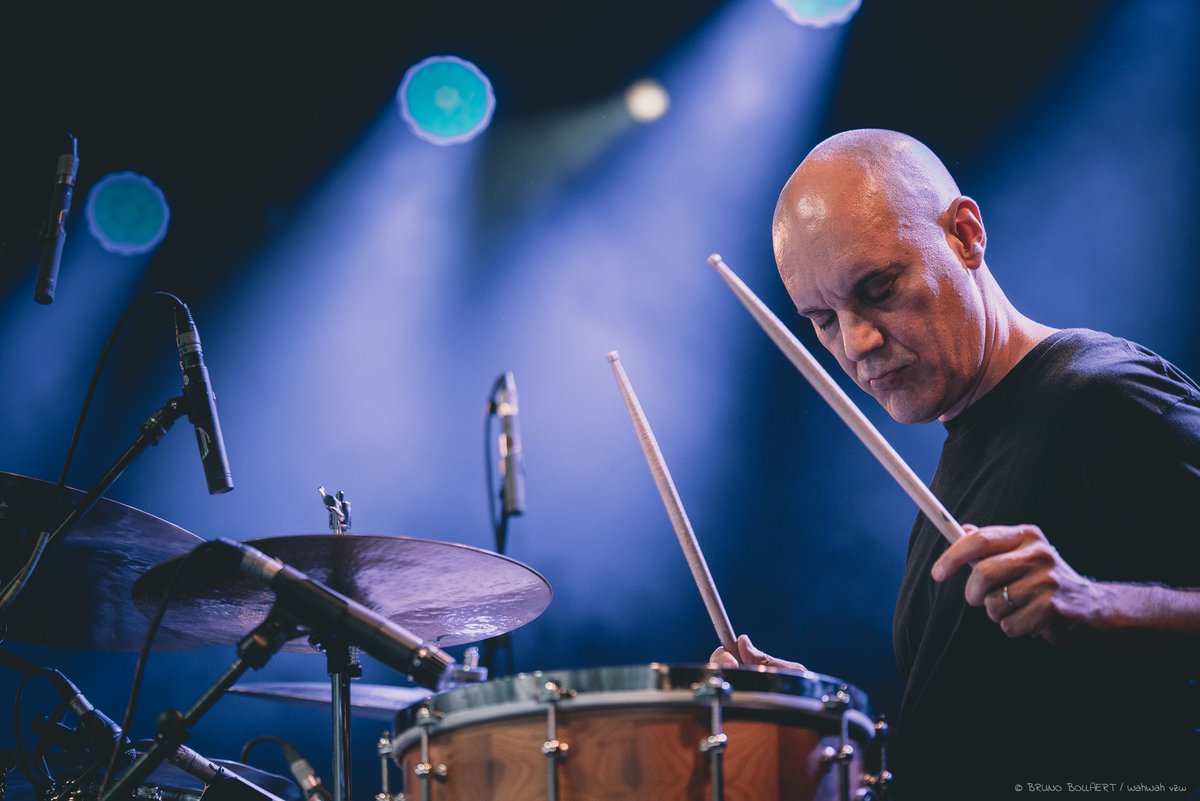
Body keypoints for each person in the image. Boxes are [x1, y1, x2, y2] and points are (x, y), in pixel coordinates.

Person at [713, 129, 1200, 797]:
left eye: (879, 288)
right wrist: (815, 718)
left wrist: (1096, 604)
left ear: (966, 235)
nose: (857, 342)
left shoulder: (1103, 397)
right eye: (823, 319)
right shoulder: (958, 461)